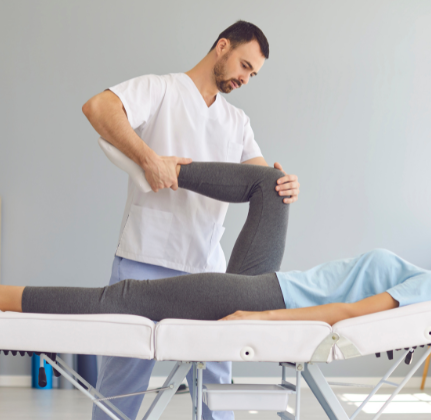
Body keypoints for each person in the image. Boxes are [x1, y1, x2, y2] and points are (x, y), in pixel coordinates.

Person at [0, 162, 431, 328]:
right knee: (272, 184)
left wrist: (262, 319)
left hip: (266, 296)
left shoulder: (426, 286)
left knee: (122, 296)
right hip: (269, 281)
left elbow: (347, 314)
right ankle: (167, 167)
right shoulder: (425, 281)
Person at [81, 20, 299, 420]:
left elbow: (258, 180)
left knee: (217, 385)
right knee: (121, 385)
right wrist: (149, 159)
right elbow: (98, 108)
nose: (247, 78)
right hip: (146, 257)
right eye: (245, 66)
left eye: (254, 73)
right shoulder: (161, 89)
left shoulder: (238, 123)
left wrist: (281, 184)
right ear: (222, 47)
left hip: (207, 268)